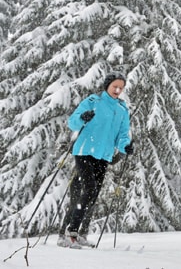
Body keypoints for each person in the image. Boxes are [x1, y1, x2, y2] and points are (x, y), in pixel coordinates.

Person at [57, 72, 134, 249]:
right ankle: (71, 233)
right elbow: (72, 122)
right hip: (85, 152)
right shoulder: (93, 101)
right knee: (89, 190)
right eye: (114, 86)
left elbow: (122, 136)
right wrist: (82, 118)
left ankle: (79, 234)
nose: (117, 90)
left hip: (103, 156)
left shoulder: (122, 110)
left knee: (90, 195)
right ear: (107, 85)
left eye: (120, 88)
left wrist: (126, 146)